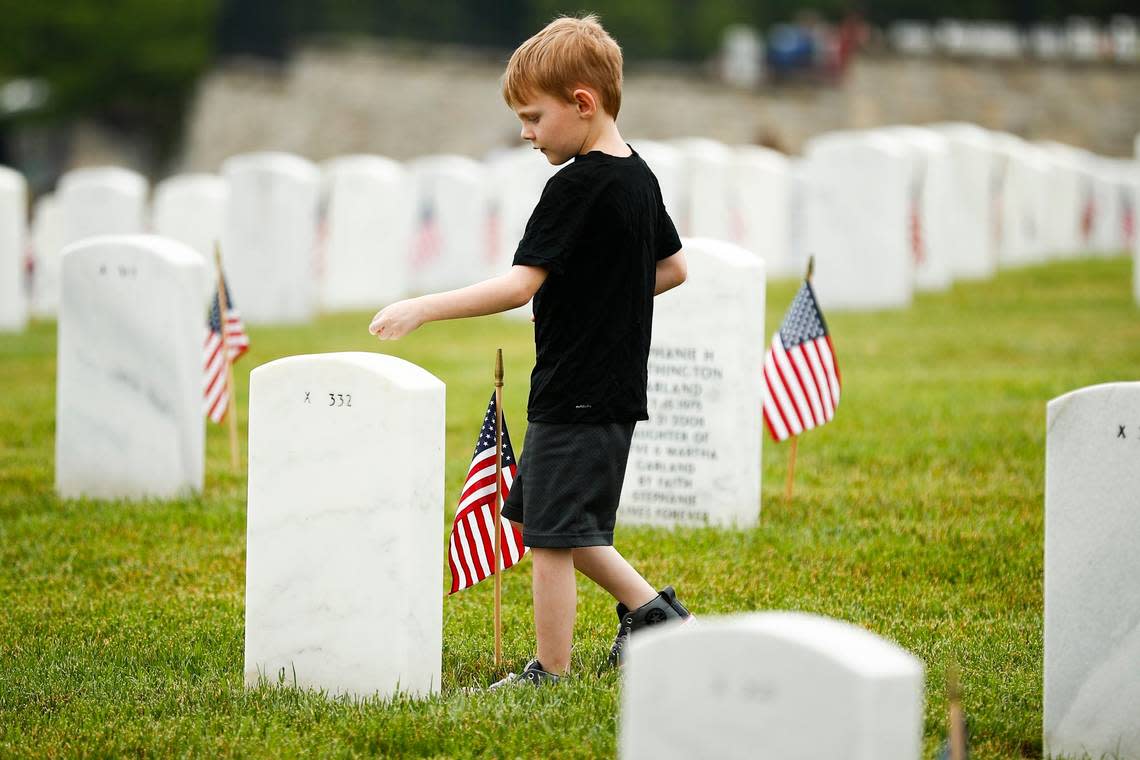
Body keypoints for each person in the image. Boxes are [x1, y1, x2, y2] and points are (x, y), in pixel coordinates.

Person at [369, 14, 693, 687]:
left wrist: (422, 307)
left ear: (582, 102)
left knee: (549, 534)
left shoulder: (573, 186)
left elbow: (520, 288)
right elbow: (672, 268)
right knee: (559, 522)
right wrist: (611, 301)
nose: (525, 133)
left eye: (532, 116)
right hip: (611, 384)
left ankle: (549, 670)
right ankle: (655, 615)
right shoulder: (639, 176)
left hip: (574, 385)